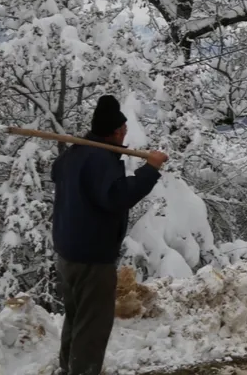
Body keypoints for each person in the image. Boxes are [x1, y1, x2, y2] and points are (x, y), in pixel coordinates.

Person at [50, 95, 168, 375]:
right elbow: (116, 197)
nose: (126, 135)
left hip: (68, 251)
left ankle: (68, 368)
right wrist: (150, 170)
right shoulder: (100, 158)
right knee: (93, 323)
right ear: (115, 132)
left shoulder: (75, 153)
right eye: (124, 131)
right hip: (92, 256)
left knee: (77, 316)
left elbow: (57, 172)